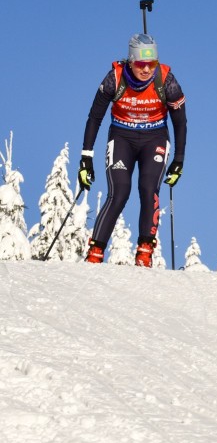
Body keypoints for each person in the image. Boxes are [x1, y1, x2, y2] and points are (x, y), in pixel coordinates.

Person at [79, 33, 187, 267]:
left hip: (154, 138)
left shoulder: (167, 80)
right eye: (140, 64)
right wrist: (86, 157)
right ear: (130, 61)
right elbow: (95, 117)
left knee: (149, 189)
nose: (146, 70)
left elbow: (180, 122)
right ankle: (95, 252)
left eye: (152, 63)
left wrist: (179, 159)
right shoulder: (114, 78)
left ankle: (145, 252)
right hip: (122, 137)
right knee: (119, 192)